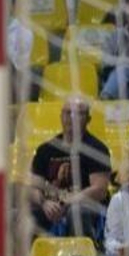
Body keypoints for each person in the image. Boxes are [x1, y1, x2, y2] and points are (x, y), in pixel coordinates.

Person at [28, 97, 111, 238]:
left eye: (78, 114)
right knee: (21, 215)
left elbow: (100, 190)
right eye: (67, 112)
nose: (71, 118)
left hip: (83, 206)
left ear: (88, 119)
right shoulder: (45, 149)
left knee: (77, 212)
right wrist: (44, 203)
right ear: (61, 116)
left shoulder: (97, 149)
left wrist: (67, 203)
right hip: (51, 206)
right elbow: (33, 186)